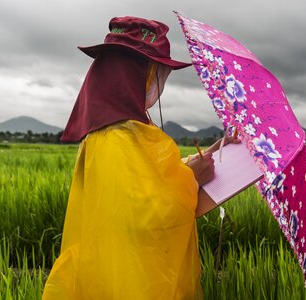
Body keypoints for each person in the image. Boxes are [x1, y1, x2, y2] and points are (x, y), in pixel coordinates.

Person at [42, 16, 236, 299]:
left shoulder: (116, 129)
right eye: (156, 72)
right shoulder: (119, 136)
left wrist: (209, 153)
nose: (159, 82)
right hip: (133, 277)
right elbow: (150, 212)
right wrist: (193, 179)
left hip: (115, 266)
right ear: (134, 74)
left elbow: (148, 178)